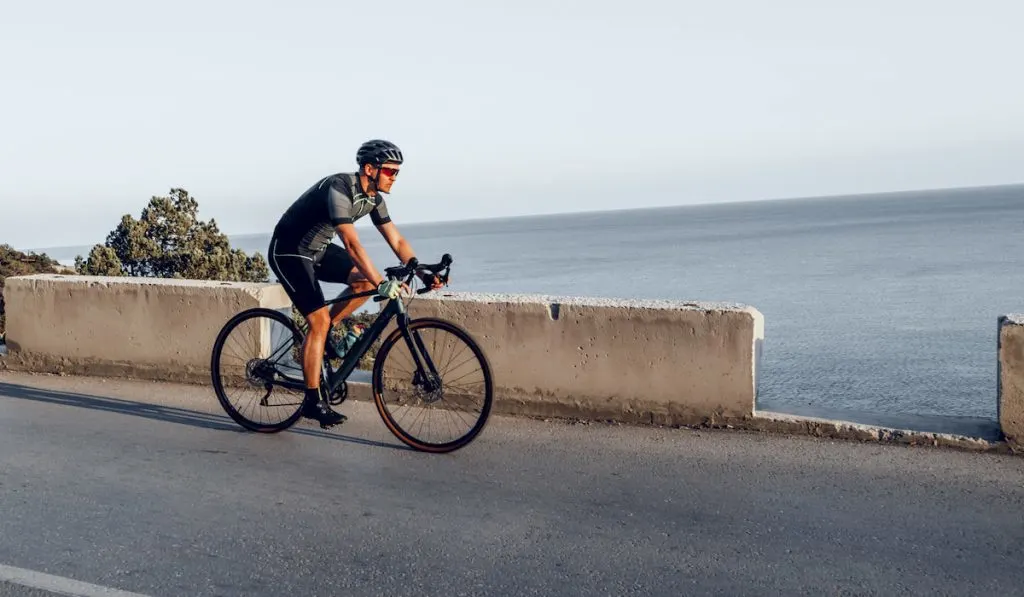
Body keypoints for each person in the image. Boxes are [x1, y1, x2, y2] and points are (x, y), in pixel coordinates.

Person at [267, 139, 443, 428]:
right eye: (389, 171)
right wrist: (382, 282)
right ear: (369, 169)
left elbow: (396, 240)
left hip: (318, 250)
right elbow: (351, 243)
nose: (394, 178)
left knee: (364, 285)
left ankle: (322, 339)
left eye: (397, 172)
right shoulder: (340, 188)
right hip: (290, 250)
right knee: (319, 320)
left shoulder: (374, 199)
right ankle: (312, 401)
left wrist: (422, 271)